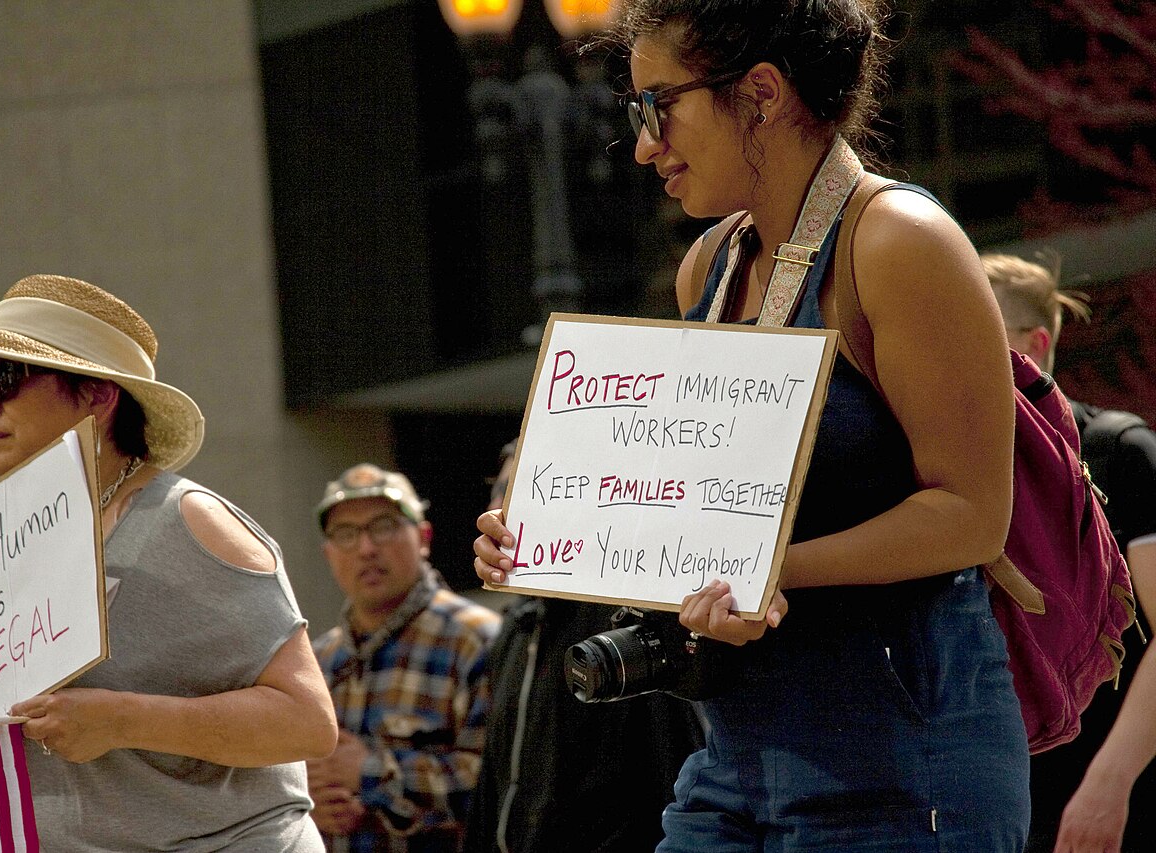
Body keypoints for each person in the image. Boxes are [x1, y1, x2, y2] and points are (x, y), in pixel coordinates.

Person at [475, 0, 1031, 849]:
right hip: (735, 753)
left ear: (762, 92)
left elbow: (970, 514)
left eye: (658, 106)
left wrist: (765, 572)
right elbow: (702, 514)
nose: (643, 145)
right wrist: (553, 538)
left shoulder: (900, 241)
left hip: (906, 755)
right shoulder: (709, 264)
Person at [0, 274, 337, 851]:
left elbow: (308, 723)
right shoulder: (11, 543)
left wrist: (120, 719)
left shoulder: (189, 519)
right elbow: (37, 738)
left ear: (97, 395)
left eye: (5, 377)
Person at [984, 251, 1156, 853]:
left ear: (1032, 344)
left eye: (980, 326)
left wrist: (1110, 783)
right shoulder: (956, 471)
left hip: (1111, 802)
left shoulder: (1122, 450)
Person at [463, 441, 705, 853]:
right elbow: (494, 780)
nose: (505, 510)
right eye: (502, 490)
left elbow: (673, 768)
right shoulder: (515, 627)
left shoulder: (627, 622)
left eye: (533, 486)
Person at [309, 463, 500, 852]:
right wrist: (310, 805)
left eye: (384, 526)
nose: (366, 548)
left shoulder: (477, 640)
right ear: (328, 552)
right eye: (346, 534)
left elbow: (500, 786)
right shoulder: (316, 659)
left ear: (424, 536)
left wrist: (370, 773)